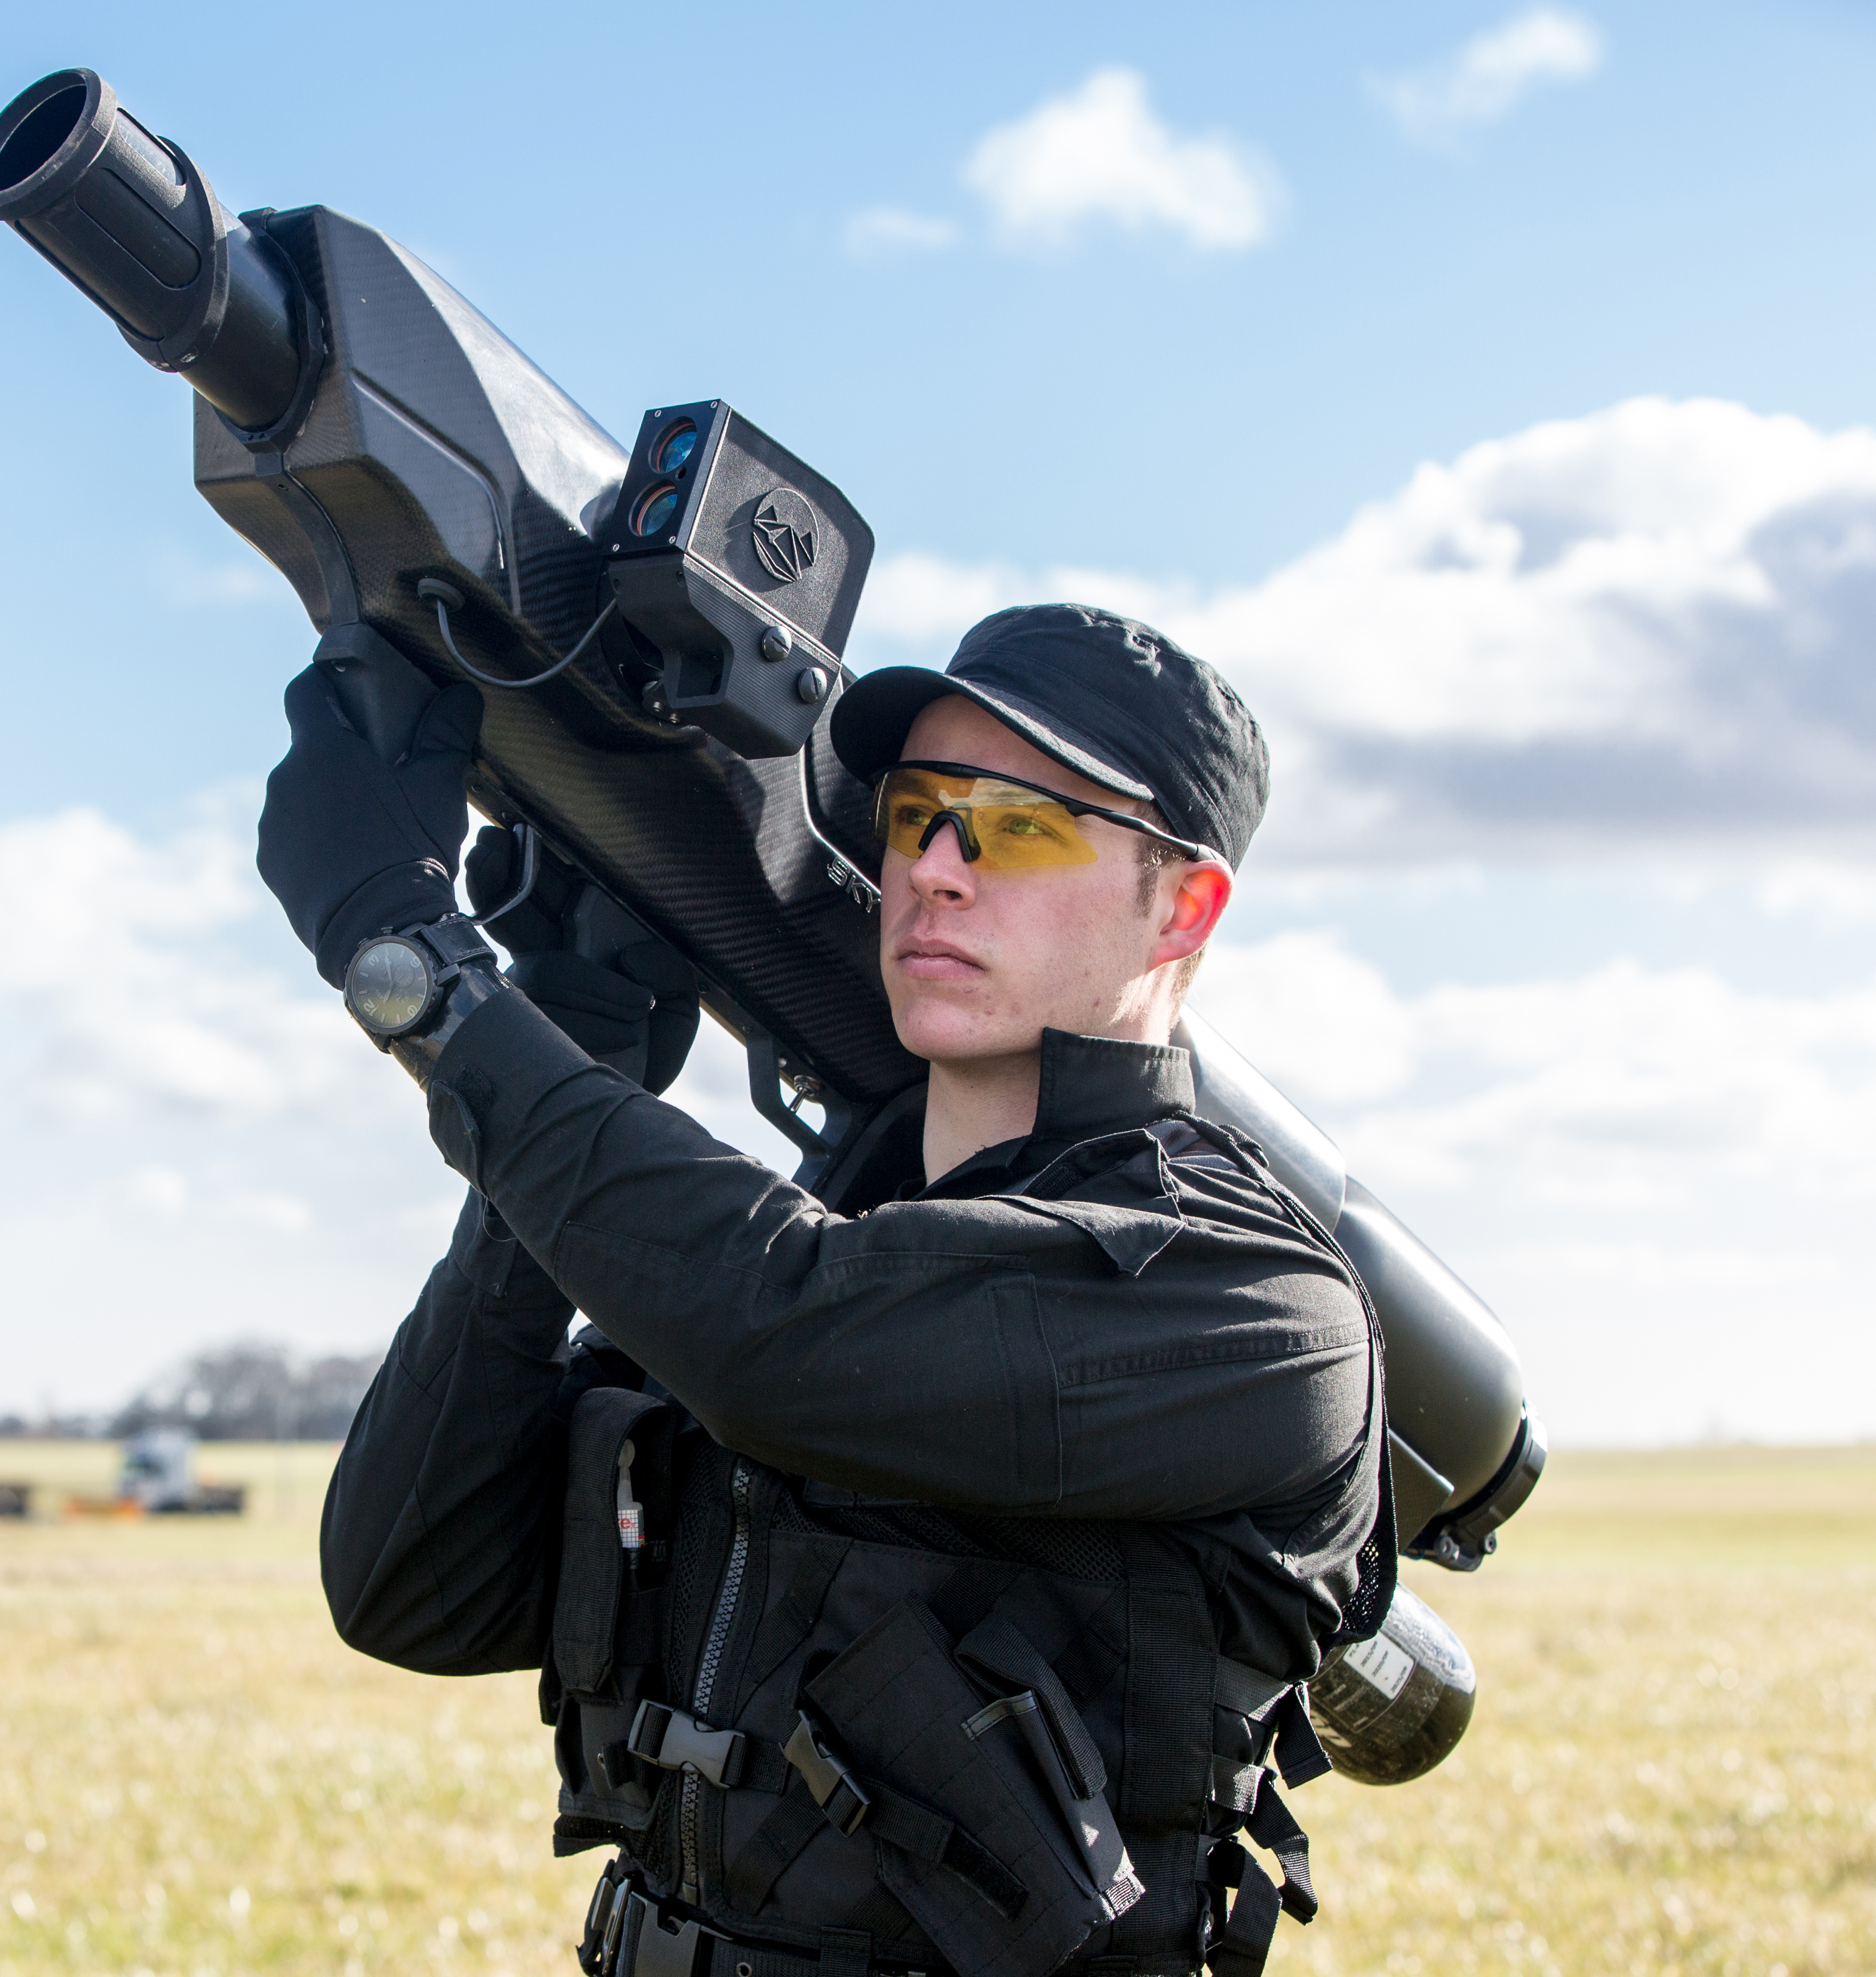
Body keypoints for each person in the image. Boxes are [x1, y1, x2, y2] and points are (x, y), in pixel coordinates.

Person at [256, 603, 1393, 1977]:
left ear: (1183, 906)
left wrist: (419, 972)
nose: (937, 868)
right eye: (917, 813)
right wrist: (572, 1076)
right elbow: (411, 1585)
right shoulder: (803, 1252)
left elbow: (781, 1333)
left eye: (1020, 826)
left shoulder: (1250, 1298)